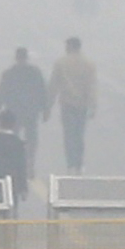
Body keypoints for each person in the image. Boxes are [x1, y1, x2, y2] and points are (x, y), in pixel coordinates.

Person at [0, 48, 50, 171]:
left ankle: (15, 164)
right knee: (31, 139)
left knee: (13, 139)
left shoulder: (9, 73)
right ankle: (30, 164)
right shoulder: (35, 72)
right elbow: (42, 91)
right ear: (26, 57)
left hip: (14, 112)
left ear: (16, 57)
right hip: (31, 111)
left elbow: (2, 92)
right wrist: (45, 109)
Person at [49, 38, 99, 172]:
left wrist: (48, 104)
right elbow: (92, 86)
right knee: (79, 134)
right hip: (82, 104)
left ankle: (70, 163)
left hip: (67, 103)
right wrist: (93, 105)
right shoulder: (89, 64)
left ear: (70, 46)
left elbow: (54, 84)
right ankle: (79, 163)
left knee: (69, 134)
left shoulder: (61, 63)